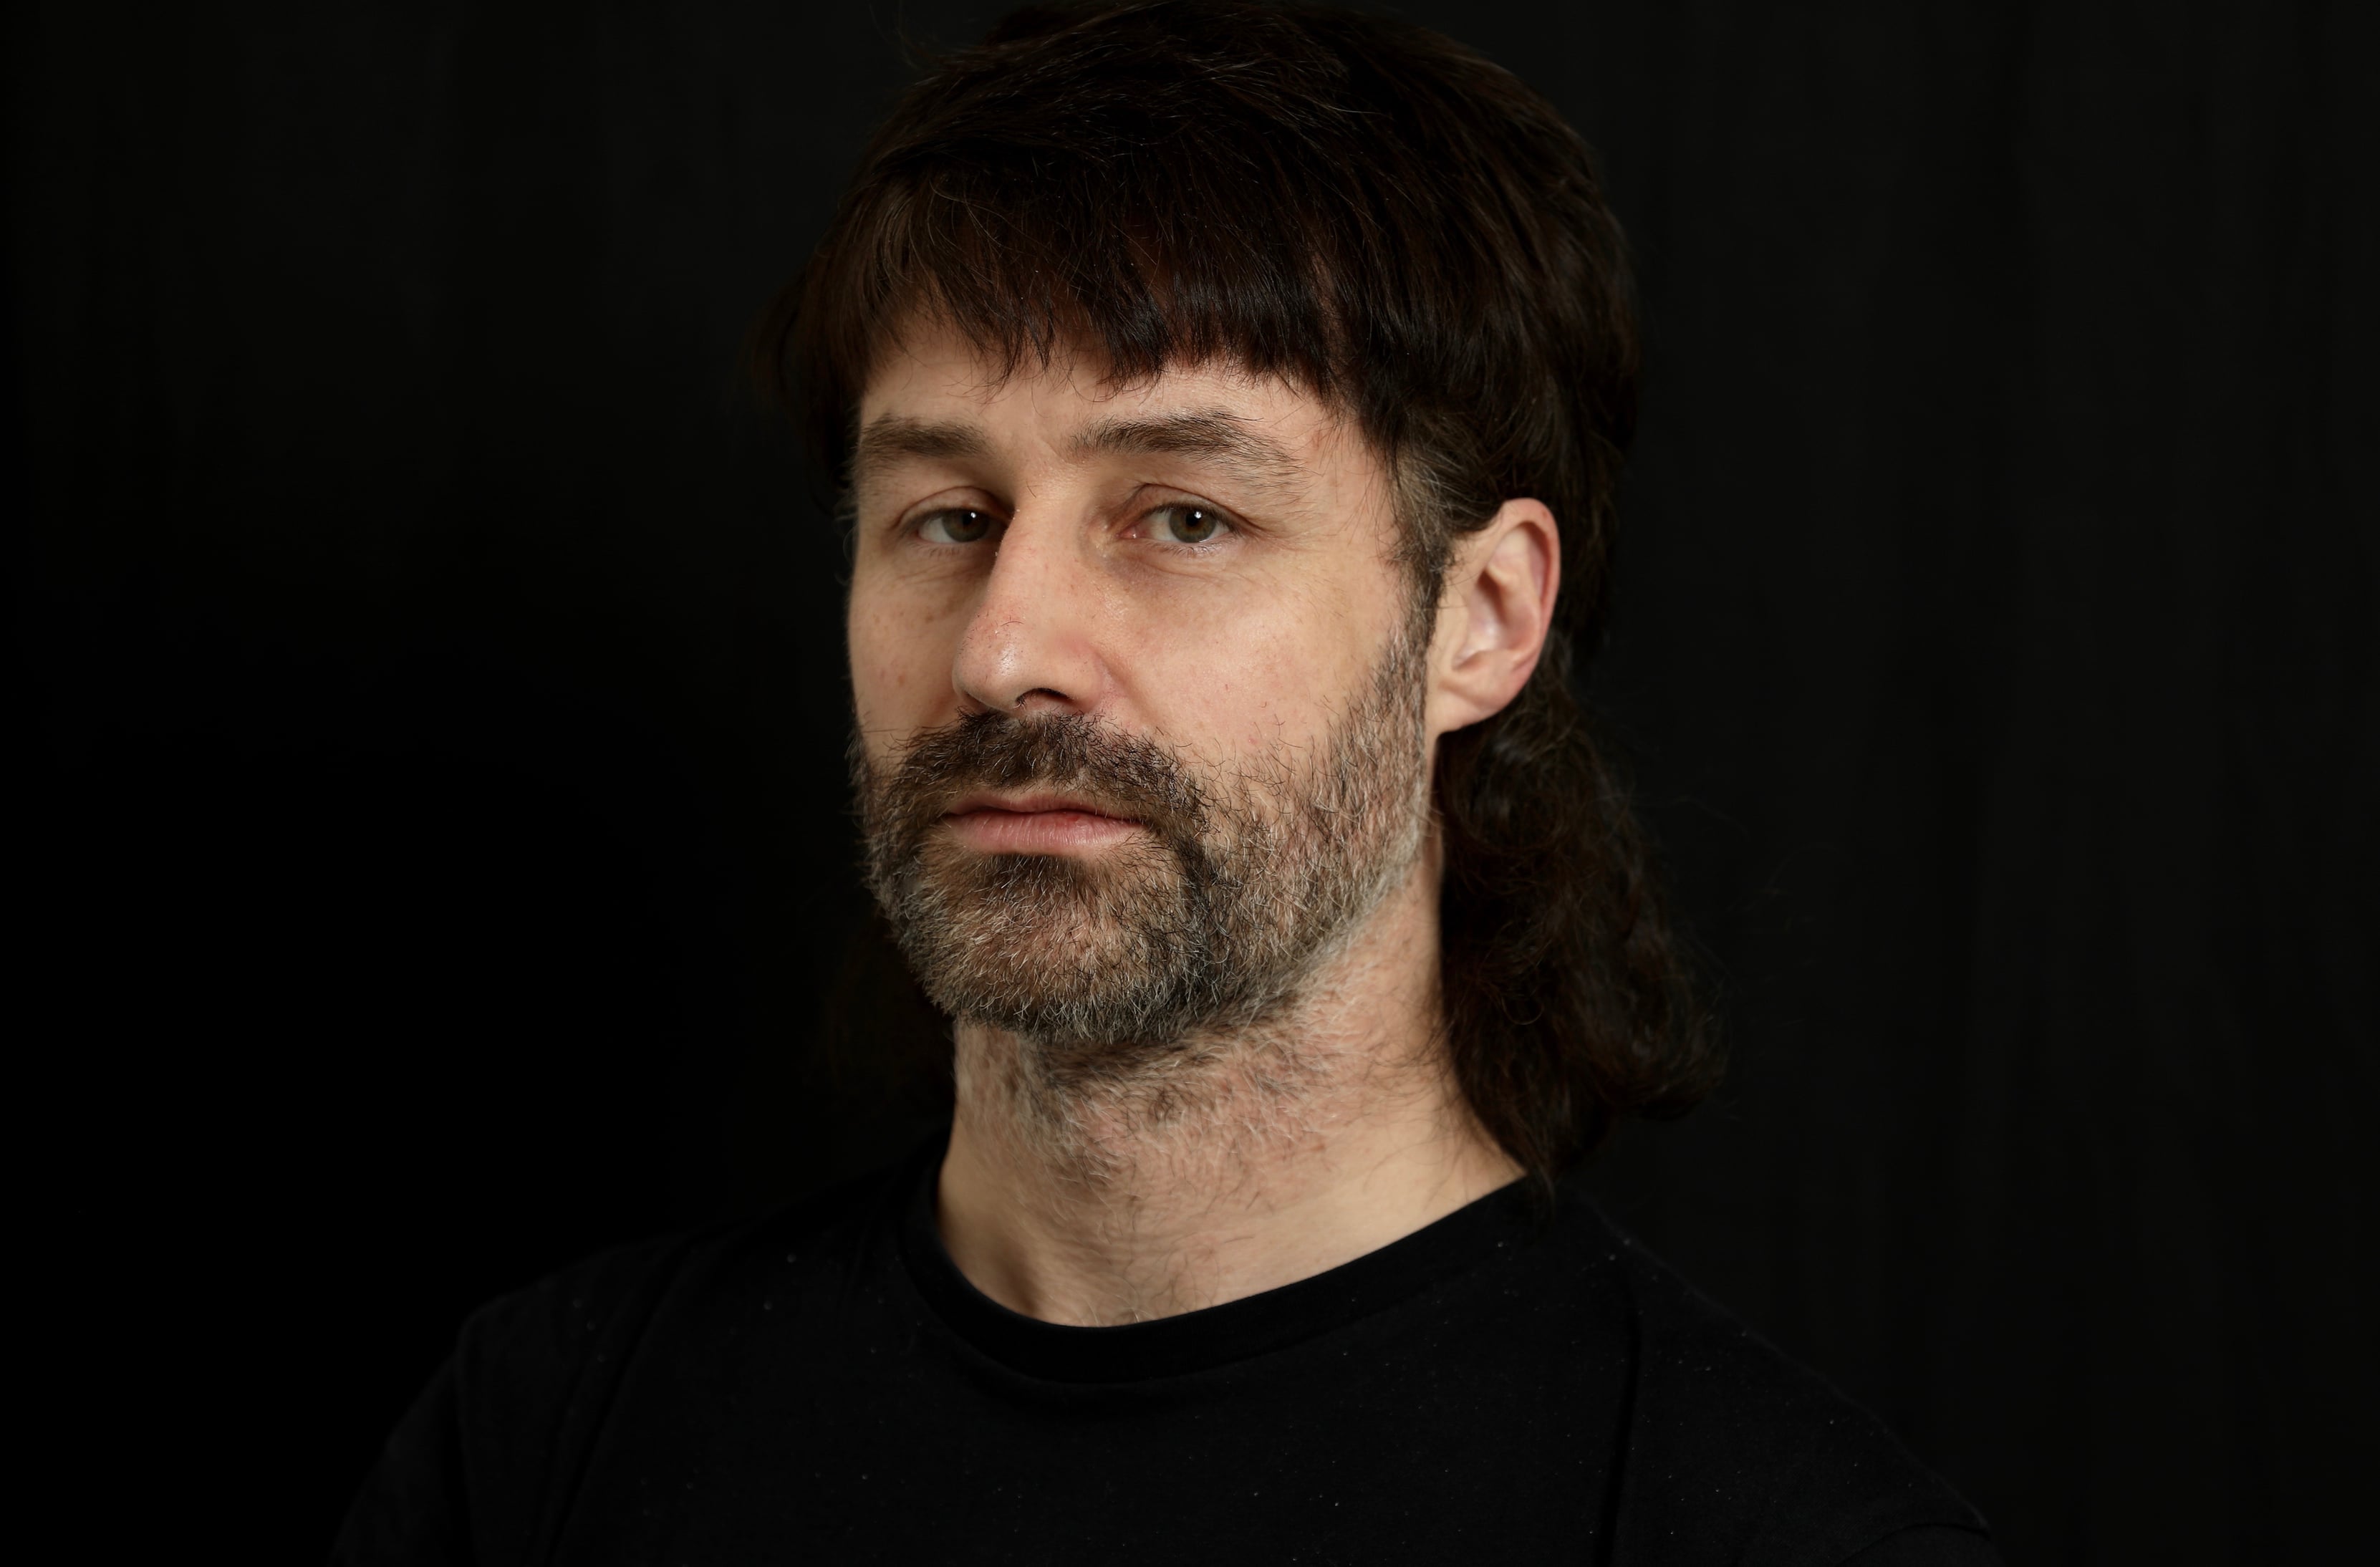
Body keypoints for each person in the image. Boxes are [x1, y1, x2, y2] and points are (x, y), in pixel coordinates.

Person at [337, 4, 1998, 1561]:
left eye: (1184, 516)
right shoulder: (546, 1438)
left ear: (1481, 618)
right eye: (949, 516)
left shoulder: (1758, 1523)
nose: (1003, 650)